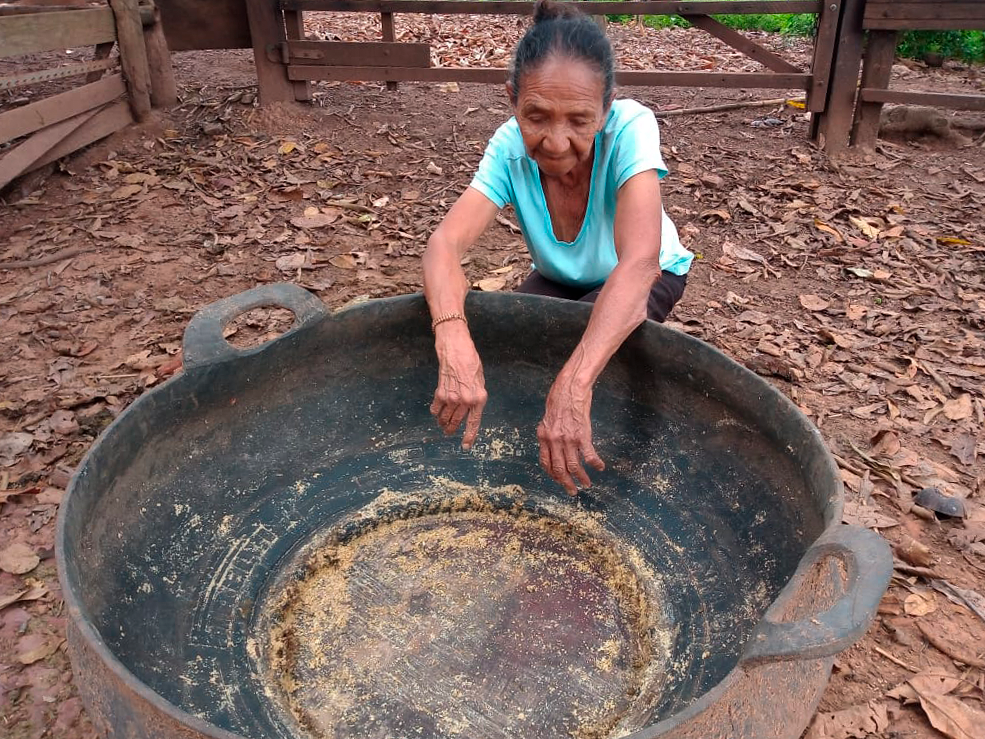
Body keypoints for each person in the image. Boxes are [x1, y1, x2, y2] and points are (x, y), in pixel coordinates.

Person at [422, 0, 693, 495]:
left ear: (607, 108)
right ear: (511, 100)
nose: (555, 142)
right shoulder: (506, 147)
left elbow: (638, 263)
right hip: (560, 274)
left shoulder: (631, 127)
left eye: (579, 120)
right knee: (510, 351)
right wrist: (452, 334)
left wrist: (573, 386)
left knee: (584, 366)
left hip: (644, 275)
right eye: (537, 116)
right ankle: (522, 468)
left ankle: (605, 486)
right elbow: (444, 244)